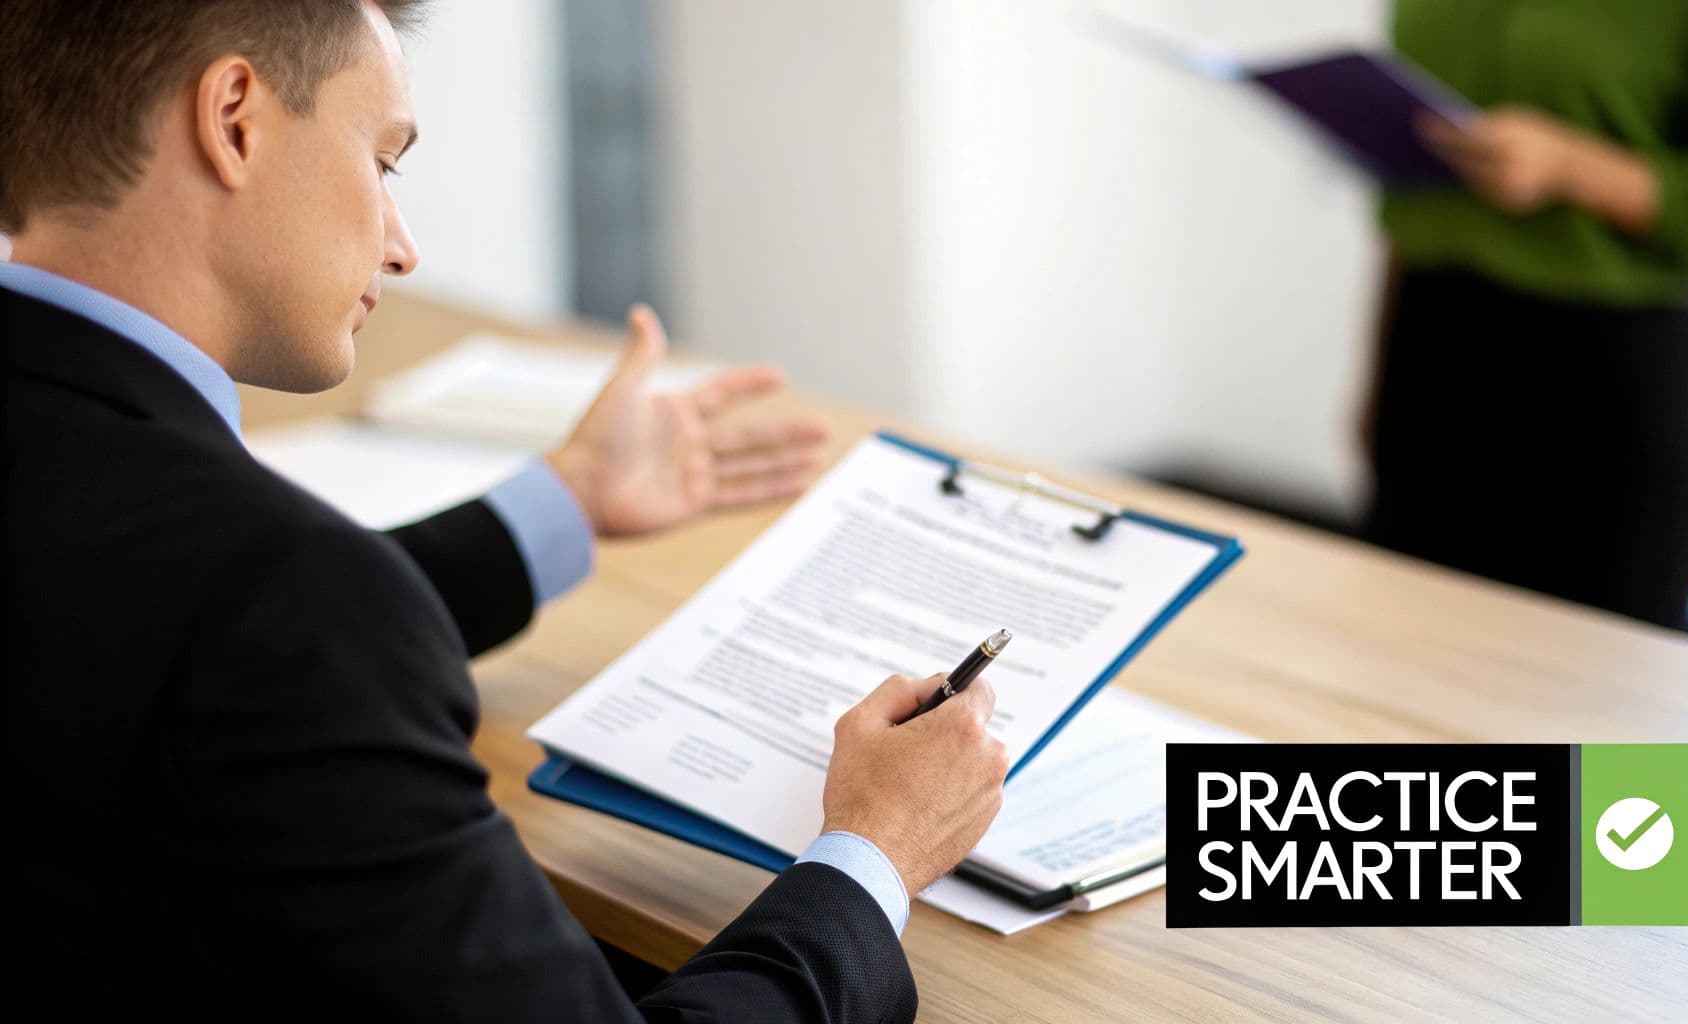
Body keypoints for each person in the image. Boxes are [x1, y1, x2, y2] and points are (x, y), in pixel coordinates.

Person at [0, 2, 1010, 1019]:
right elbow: (266, 632)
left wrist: (563, 502)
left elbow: (151, 622)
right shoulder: (275, 603)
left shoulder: (183, 563)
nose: (402, 248)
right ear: (234, 120)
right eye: (385, 161)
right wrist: (871, 853)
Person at [1361, 0, 1688, 629]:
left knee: (1621, 715)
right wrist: (1374, 374)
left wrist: (1570, 165)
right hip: (1435, 357)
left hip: (1610, 382)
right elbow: (1407, 194)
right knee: (1397, 689)